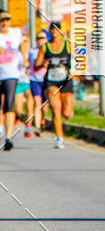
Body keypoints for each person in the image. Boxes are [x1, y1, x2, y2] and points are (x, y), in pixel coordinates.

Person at [35, 21, 73, 149]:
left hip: (65, 80)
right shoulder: (45, 47)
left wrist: (74, 71)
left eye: (57, 29)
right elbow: (36, 65)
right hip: (51, 81)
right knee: (55, 109)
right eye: (52, 29)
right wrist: (42, 64)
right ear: (50, 31)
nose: (54, 31)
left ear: (61, 31)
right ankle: (59, 138)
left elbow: (80, 60)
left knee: (67, 113)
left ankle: (65, 118)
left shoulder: (68, 45)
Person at [0, 10, 29, 151]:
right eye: (1, 21)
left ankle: (8, 137)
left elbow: (22, 45)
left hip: (10, 73)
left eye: (7, 20)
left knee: (9, 106)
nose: (4, 23)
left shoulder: (15, 33)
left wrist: (24, 59)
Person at [30, 30, 48, 135]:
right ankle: (37, 127)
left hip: (46, 80)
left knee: (44, 106)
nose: (40, 40)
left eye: (42, 38)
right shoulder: (32, 51)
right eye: (39, 38)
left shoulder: (48, 50)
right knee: (37, 103)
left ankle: (43, 120)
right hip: (34, 79)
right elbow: (28, 62)